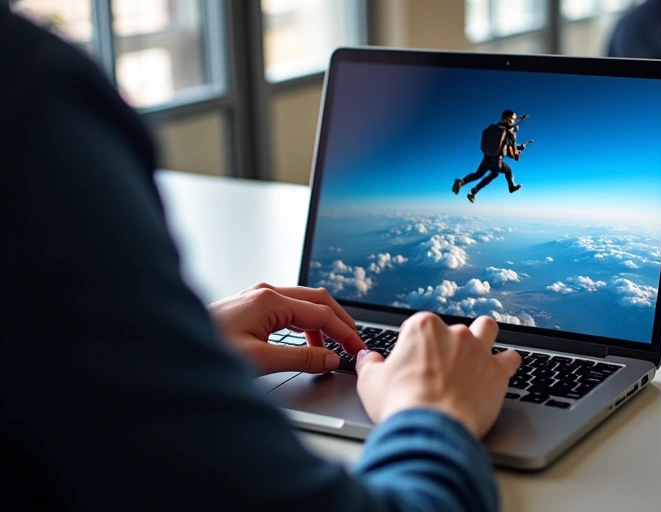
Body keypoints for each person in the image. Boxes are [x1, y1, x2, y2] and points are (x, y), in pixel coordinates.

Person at [0, 7, 524, 511]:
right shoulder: (30, 101)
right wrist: (434, 416)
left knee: (490, 175)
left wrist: (176, 344)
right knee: (489, 175)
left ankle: (470, 185)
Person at [452, 110, 527, 204]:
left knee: (478, 174)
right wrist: (517, 153)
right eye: (513, 119)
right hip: (496, 160)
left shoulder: (494, 128)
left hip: (487, 158)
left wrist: (521, 119)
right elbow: (512, 153)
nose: (514, 121)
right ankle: (511, 187)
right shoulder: (509, 133)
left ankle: (461, 182)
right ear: (509, 119)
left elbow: (509, 126)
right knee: (505, 171)